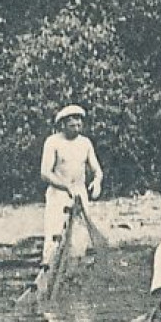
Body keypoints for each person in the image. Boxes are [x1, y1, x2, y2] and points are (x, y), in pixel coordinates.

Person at [40, 104, 104, 268]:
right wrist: (65, 186)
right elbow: (45, 173)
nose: (76, 128)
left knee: (79, 233)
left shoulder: (85, 143)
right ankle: (49, 267)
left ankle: (74, 268)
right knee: (55, 232)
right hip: (58, 194)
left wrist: (97, 182)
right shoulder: (53, 142)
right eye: (71, 125)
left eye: (79, 124)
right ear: (63, 125)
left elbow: (97, 170)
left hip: (79, 192)